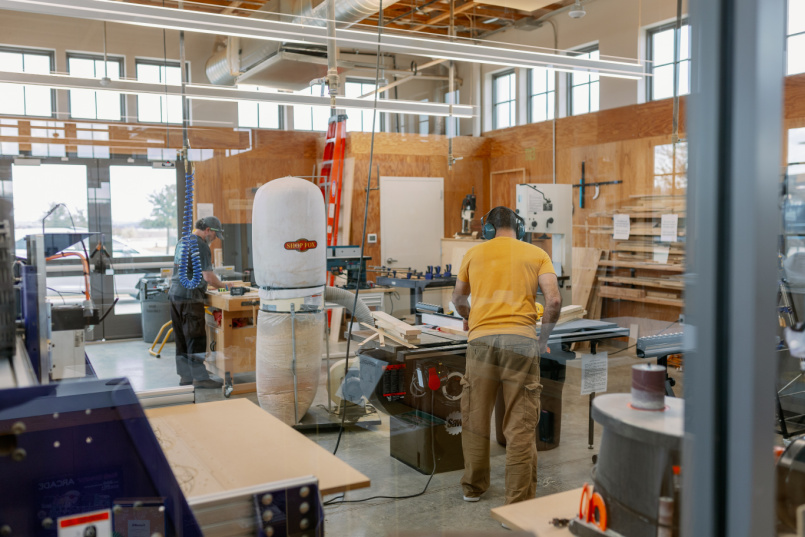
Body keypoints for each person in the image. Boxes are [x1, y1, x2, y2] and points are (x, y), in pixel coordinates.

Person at [452, 206, 562, 506]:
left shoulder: (473, 254)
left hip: (480, 343)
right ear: (521, 228)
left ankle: (473, 488)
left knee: (475, 417)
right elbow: (553, 299)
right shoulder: (537, 254)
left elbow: (458, 298)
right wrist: (543, 339)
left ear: (487, 229)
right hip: (521, 343)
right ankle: (518, 503)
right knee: (520, 423)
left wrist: (470, 316)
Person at [169, 216, 230, 389]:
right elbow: (208, 277)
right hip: (189, 297)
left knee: (181, 337)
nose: (215, 239)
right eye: (215, 235)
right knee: (195, 338)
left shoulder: (182, 241)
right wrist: (225, 286)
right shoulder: (201, 245)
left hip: (175, 296)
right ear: (208, 230)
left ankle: (185, 377)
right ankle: (200, 378)